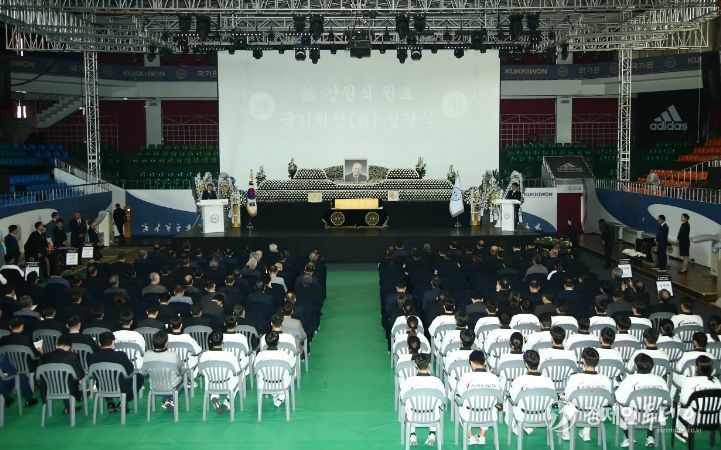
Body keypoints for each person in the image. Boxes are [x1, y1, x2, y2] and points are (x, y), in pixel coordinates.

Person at [615, 353, 669, 448]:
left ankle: (628, 436)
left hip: (635, 416)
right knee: (657, 408)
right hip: (655, 416)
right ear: (652, 366)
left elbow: (620, 399)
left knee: (616, 405)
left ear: (636, 366)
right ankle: (650, 436)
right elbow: (666, 402)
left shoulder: (630, 379)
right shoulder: (660, 380)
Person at [559, 347, 612, 442]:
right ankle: (586, 432)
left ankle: (565, 433)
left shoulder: (575, 378)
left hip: (577, 414)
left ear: (583, 360)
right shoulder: (605, 379)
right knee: (593, 403)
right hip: (596, 414)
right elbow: (607, 400)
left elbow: (568, 397)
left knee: (564, 400)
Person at [87, 332, 144, 412]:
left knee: (102, 379)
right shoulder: (121, 355)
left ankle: (110, 402)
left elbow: (91, 374)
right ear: (113, 342)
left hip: (102, 386)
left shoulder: (92, 357)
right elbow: (130, 371)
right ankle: (123, 402)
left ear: (99, 343)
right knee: (139, 377)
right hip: (121, 387)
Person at [454, 350, 501, 446]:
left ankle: (470, 436)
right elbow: (498, 397)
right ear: (485, 362)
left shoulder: (465, 377)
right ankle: (481, 435)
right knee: (490, 405)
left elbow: (461, 394)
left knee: (460, 403)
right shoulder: (494, 378)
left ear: (471, 363)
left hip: (469, 413)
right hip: (489, 414)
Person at [398, 353, 445, 446]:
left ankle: (412, 435)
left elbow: (402, 398)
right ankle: (432, 434)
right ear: (429, 365)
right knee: (436, 407)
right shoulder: (437, 381)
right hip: (432, 415)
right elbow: (442, 399)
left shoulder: (409, 381)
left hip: (413, 415)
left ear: (415, 365)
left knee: (407, 406)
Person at [674, 355, 721, 442]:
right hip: (715, 418)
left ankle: (682, 432)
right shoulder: (717, 381)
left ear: (696, 367)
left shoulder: (690, 381)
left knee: (678, 406)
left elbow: (684, 401)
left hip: (695, 419)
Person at [38, 334, 85, 414]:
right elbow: (80, 374)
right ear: (68, 347)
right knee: (69, 379)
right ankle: (80, 395)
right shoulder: (71, 355)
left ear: (57, 345)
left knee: (63, 378)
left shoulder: (44, 357)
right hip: (67, 387)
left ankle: (68, 407)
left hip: (48, 387)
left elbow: (38, 376)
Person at [198, 330, 240, 413]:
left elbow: (201, 373)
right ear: (222, 342)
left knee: (210, 378)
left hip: (211, 384)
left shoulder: (204, 355)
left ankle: (214, 396)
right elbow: (237, 371)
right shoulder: (230, 355)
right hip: (227, 384)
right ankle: (228, 401)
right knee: (239, 379)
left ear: (210, 342)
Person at [143, 330, 183, 411]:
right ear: (166, 343)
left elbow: (144, 372)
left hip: (154, 385)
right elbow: (179, 368)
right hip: (171, 385)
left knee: (164, 381)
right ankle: (169, 399)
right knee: (184, 380)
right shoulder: (172, 355)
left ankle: (167, 399)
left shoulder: (146, 354)